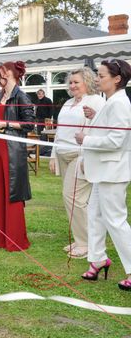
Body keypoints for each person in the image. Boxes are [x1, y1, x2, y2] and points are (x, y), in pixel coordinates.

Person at [75, 59, 131, 291]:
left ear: (117, 79)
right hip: (104, 171)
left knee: (115, 221)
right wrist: (95, 115)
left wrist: (85, 139)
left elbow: (116, 141)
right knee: (94, 216)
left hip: (113, 171)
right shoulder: (110, 102)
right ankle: (97, 259)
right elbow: (110, 128)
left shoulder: (120, 103)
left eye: (101, 75)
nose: (97, 79)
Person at [49, 68, 105, 259]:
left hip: (80, 155)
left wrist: (85, 156)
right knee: (73, 200)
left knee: (73, 198)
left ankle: (86, 243)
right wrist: (53, 155)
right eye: (70, 82)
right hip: (63, 154)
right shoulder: (68, 103)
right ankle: (82, 239)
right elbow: (59, 130)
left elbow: (99, 129)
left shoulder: (96, 101)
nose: (72, 86)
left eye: (76, 82)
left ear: (87, 82)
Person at [0, 61, 35, 252]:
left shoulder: (22, 96)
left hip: (12, 149)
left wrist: (6, 124)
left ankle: (14, 239)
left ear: (12, 75)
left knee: (12, 193)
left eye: (1, 74)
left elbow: (30, 124)